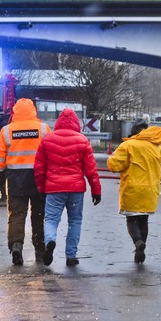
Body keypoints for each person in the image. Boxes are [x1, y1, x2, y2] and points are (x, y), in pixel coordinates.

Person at [34, 108, 102, 267]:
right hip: (76, 189)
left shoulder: (47, 140)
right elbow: (91, 170)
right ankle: (71, 256)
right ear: (76, 122)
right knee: (75, 221)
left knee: (51, 220)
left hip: (54, 189)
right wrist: (96, 190)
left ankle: (50, 241)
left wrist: (41, 188)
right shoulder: (82, 140)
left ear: (58, 122)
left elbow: (39, 168)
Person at [0, 98, 52, 266]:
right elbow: (51, 153)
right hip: (39, 178)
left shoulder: (6, 131)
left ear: (15, 112)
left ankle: (16, 245)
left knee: (17, 215)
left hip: (15, 179)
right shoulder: (43, 129)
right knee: (39, 215)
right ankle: (40, 247)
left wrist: (0, 179)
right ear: (33, 110)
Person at [107, 115, 161, 264]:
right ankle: (141, 249)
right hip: (150, 190)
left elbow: (114, 166)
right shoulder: (157, 147)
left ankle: (138, 242)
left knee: (131, 219)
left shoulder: (128, 145)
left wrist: (112, 157)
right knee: (144, 219)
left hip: (132, 189)